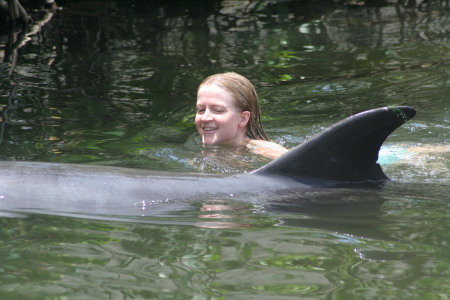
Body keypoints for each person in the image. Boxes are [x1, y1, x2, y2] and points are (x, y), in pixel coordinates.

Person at [195, 72, 288, 159]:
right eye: (201, 110)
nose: (205, 118)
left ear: (243, 119)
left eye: (218, 110)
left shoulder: (269, 153)